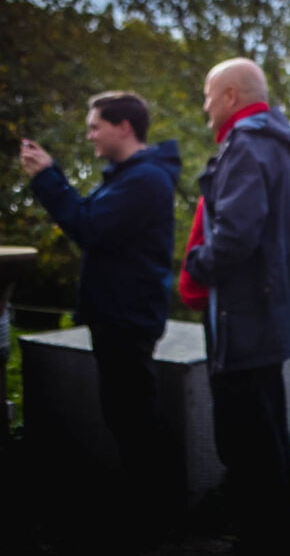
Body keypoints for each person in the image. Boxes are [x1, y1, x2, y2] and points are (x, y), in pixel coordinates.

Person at [181, 57, 290, 553]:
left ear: (229, 96)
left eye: (208, 95)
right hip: (270, 316)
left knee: (247, 443)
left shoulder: (246, 145)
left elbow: (235, 238)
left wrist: (195, 265)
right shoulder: (284, 146)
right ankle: (277, 535)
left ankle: (262, 540)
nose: (205, 107)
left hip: (244, 318)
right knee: (266, 441)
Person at [19, 92, 182, 536]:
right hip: (118, 315)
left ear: (123, 126)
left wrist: (48, 177)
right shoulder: (130, 177)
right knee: (127, 416)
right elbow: (91, 218)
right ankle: (151, 513)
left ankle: (153, 520)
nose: (90, 134)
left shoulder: (145, 180)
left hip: (127, 318)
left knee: (133, 420)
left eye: (95, 126)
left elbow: (88, 228)